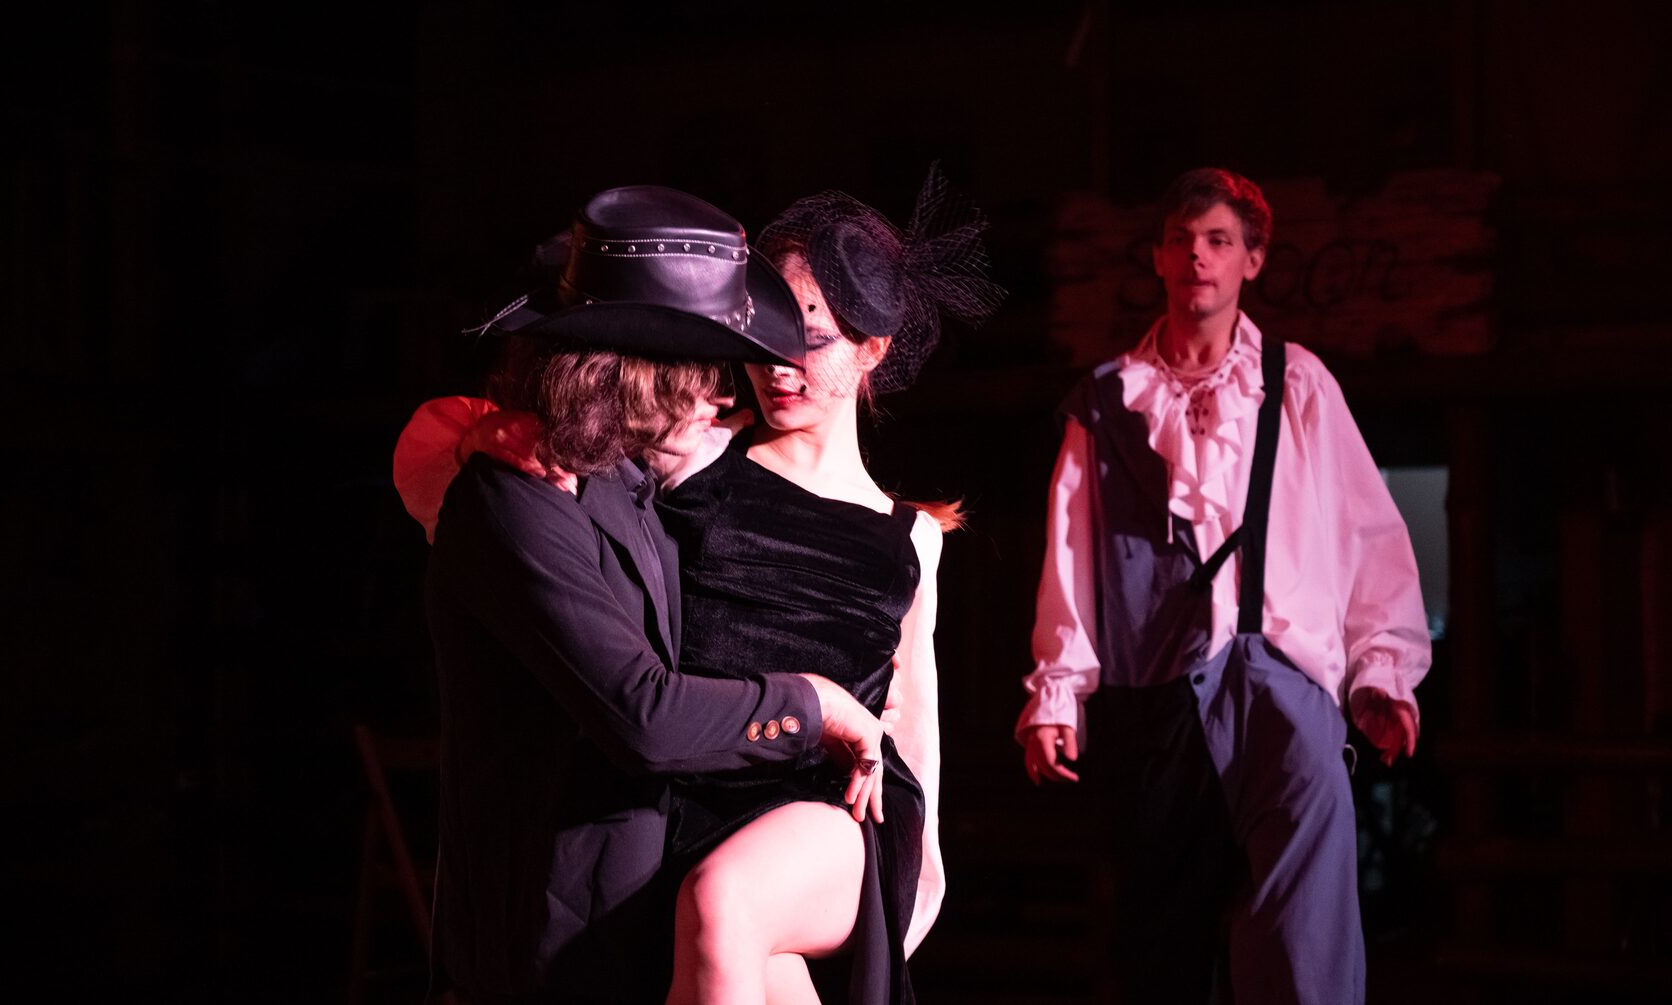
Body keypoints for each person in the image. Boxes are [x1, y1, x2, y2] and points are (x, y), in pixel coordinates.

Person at [399, 169, 1001, 1004]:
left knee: (728, 901)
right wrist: (477, 435)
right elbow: (467, 448)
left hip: (825, 807)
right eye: (769, 340)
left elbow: (911, 738)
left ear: (874, 349)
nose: (784, 365)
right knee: (735, 936)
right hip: (698, 804)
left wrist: (913, 890)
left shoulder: (910, 536)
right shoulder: (693, 455)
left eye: (816, 339)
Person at [1015, 167, 1431, 1005]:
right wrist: (1060, 690)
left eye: (1218, 240)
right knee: (1165, 947)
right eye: (1181, 240)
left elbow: (1366, 533)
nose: (1198, 256)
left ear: (1254, 259)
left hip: (1287, 686)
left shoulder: (1296, 381)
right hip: (1159, 694)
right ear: (1157, 258)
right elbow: (1071, 552)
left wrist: (1381, 672)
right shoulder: (1108, 400)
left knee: (1302, 944)